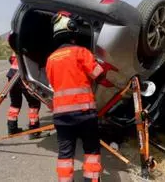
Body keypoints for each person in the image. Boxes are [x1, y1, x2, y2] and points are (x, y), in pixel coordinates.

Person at [46, 11, 114, 182]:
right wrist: (104, 68)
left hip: (61, 116)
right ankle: (91, 179)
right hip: (84, 113)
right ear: (72, 30)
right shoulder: (81, 52)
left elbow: (54, 84)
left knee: (65, 153)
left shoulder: (51, 59)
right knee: (91, 150)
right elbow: (98, 75)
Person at [6, 51, 42, 139]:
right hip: (24, 76)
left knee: (15, 103)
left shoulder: (18, 44)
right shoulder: (31, 46)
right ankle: (34, 130)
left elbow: (11, 59)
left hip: (12, 75)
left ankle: (12, 128)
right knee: (34, 102)